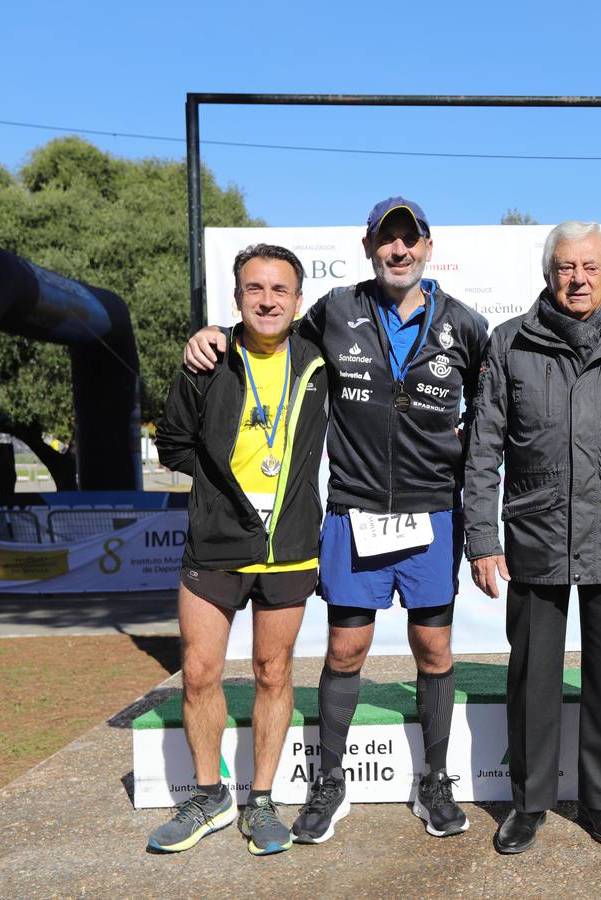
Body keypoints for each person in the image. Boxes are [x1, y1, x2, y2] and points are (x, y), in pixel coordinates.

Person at [183, 198, 489, 842]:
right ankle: (330, 781)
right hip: (353, 511)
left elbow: (490, 416)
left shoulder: (463, 323)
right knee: (346, 649)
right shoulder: (335, 311)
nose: (398, 250)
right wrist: (212, 332)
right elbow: (265, 335)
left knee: (433, 648)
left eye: (410, 240)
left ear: (429, 247)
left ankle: (434, 780)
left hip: (432, 512)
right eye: (387, 239)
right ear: (368, 246)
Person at [464, 221, 601, 855]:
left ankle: (600, 801)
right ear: (547, 274)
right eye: (564, 267)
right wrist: (482, 536)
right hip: (536, 529)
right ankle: (529, 803)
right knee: (532, 676)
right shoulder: (509, 343)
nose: (576, 279)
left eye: (588, 267)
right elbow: (483, 449)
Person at [151, 244, 328, 855]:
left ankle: (261, 800)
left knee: (272, 673)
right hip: (217, 540)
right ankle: (207, 796)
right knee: (199, 673)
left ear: (298, 301)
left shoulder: (319, 360)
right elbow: (172, 442)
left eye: (280, 290)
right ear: (237, 299)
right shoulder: (209, 362)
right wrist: (218, 490)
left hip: (290, 544)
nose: (268, 299)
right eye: (255, 289)